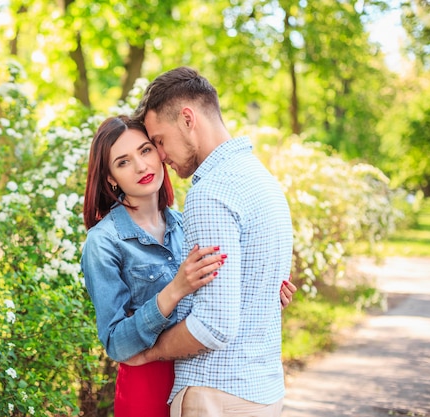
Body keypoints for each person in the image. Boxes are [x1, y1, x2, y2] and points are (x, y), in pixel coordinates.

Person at [80, 115, 296, 417]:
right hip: (147, 382)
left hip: (200, 371)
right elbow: (116, 343)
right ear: (111, 179)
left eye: (145, 150)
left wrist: (264, 294)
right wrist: (175, 290)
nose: (141, 166)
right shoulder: (103, 242)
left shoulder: (187, 224)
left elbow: (214, 305)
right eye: (123, 162)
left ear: (159, 151)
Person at [127, 66, 294, 417]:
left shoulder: (211, 193)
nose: (159, 155)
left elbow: (214, 326)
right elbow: (258, 290)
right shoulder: (262, 179)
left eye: (158, 140)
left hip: (216, 396)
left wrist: (151, 351)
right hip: (263, 391)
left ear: (188, 119)